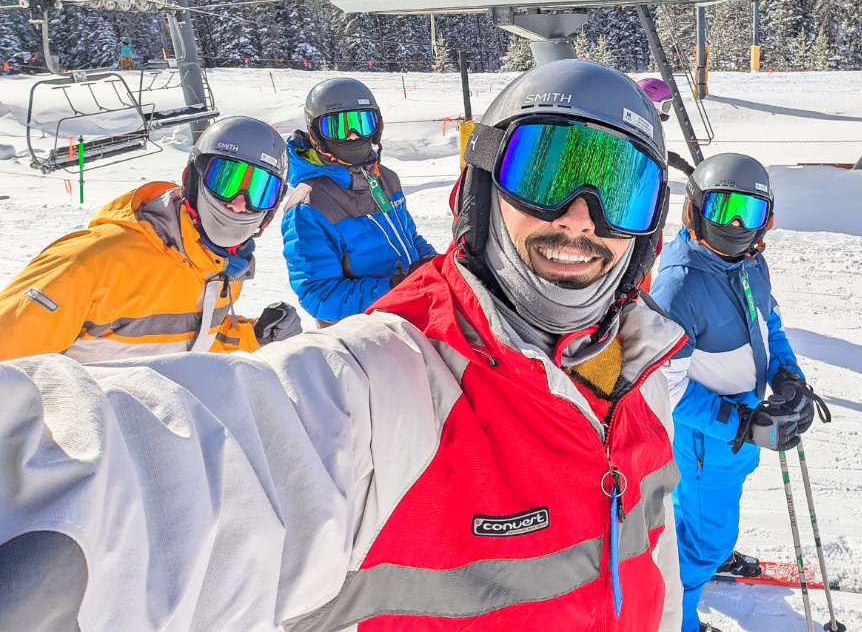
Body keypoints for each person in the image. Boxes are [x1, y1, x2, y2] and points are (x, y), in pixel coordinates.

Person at [0, 61, 686, 631]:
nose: (579, 216)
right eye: (543, 174)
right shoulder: (375, 398)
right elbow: (203, 460)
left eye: (620, 191)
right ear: (479, 189)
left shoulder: (641, 374)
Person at [650, 153, 823, 632]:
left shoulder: (750, 264)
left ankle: (708, 549)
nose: (732, 224)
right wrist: (741, 424)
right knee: (706, 534)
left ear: (765, 221)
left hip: (736, 427)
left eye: (745, 213)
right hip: (710, 434)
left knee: (708, 508)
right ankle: (678, 616)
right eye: (721, 208)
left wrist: (787, 376)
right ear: (695, 210)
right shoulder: (679, 287)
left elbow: (769, 323)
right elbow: (664, 386)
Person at [0, 116, 302, 362]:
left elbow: (189, 341)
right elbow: (9, 365)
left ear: (271, 209)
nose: (239, 203)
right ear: (192, 180)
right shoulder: (91, 261)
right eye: (227, 180)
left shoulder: (220, 266)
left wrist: (255, 337)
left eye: (260, 191)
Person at [281, 78, 438, 325]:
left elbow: (410, 238)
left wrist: (436, 266)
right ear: (315, 135)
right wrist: (392, 288)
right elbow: (319, 296)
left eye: (361, 124)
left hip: (412, 310)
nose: (353, 137)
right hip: (362, 334)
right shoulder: (309, 206)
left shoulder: (385, 178)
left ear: (377, 127)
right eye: (338, 127)